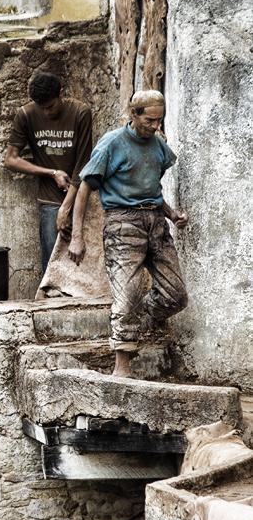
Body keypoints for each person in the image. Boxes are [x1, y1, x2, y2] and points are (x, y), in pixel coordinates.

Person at [68, 90, 188, 378]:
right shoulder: (111, 144)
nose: (155, 126)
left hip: (156, 223)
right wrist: (77, 236)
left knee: (176, 295)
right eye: (149, 120)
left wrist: (173, 214)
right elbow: (85, 189)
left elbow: (150, 191)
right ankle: (121, 366)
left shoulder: (157, 145)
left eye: (159, 121)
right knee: (126, 295)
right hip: (123, 225)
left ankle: (140, 320)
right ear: (133, 114)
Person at [4, 70, 93, 272]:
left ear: (61, 92)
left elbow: (83, 165)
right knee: (52, 269)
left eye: (50, 106)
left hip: (82, 199)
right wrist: (52, 173)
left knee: (82, 267)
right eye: (41, 108)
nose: (46, 112)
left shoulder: (81, 113)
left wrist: (66, 208)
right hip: (49, 201)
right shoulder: (26, 114)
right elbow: (10, 159)